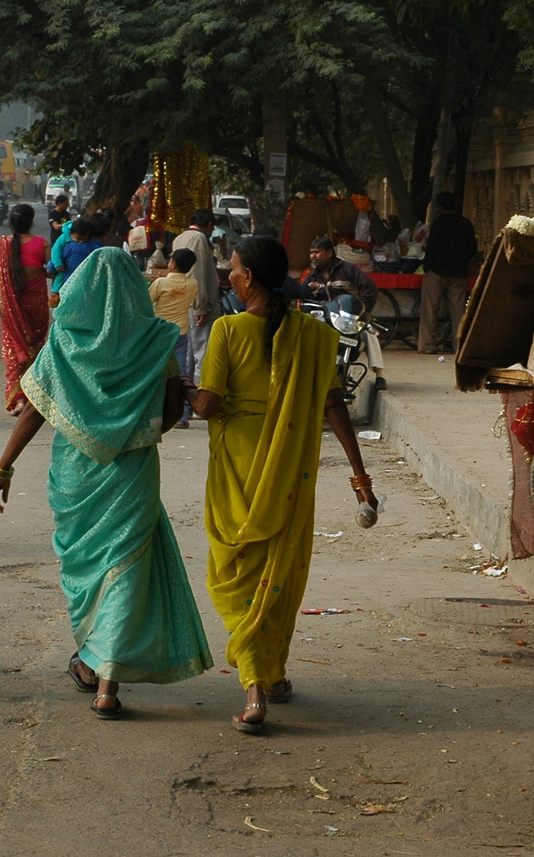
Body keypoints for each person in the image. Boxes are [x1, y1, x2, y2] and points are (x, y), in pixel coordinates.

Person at [0, 248, 213, 720]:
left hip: (76, 476)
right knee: (125, 568)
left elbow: (33, 408)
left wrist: (2, 468)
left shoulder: (65, 341)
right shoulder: (156, 339)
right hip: (133, 471)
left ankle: (94, 664)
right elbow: (172, 412)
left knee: (88, 571)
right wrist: (133, 436)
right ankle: (106, 683)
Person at [185, 236, 379, 735]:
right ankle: (272, 674)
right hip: (289, 473)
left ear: (248, 278)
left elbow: (206, 405)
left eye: (232, 269)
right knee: (279, 575)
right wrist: (361, 482)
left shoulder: (227, 331)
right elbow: (334, 406)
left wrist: (179, 388)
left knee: (238, 576)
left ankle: (253, 687)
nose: (229, 275)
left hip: (236, 471)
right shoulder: (315, 337)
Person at [0, 204, 51, 415]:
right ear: (31, 222)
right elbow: (51, 272)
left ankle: (19, 400)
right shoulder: (41, 244)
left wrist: (8, 278)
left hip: (11, 311)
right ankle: (33, 398)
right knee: (34, 352)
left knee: (14, 352)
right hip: (36, 309)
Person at [303, 236, 387, 390]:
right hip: (328, 319)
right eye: (311, 253)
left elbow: (369, 288)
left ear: (329, 253)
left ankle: (380, 375)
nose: (313, 256)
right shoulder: (312, 276)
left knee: (369, 333)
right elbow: (304, 300)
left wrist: (363, 312)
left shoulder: (347, 269)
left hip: (350, 318)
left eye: (317, 252)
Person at [417, 192, 477, 355]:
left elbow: (432, 248)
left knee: (430, 308)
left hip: (437, 272)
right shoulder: (466, 224)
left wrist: (427, 267)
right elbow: (473, 249)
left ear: (441, 207)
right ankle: (460, 347)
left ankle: (428, 345)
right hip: (459, 273)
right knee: (458, 311)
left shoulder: (438, 224)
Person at [150, 248, 199, 427]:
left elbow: (148, 302)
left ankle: (154, 411)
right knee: (180, 373)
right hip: (181, 332)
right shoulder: (193, 284)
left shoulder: (161, 283)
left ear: (172, 264)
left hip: (160, 332)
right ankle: (183, 415)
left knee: (155, 372)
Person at [171, 210, 220, 382]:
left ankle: (187, 393)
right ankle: (200, 392)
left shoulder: (180, 237)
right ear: (209, 225)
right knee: (202, 351)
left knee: (189, 353)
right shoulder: (199, 239)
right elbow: (197, 275)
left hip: (183, 301)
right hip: (197, 304)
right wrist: (201, 306)